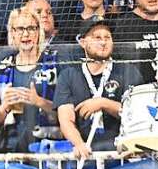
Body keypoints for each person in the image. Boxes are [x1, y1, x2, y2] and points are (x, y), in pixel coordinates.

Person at [55, 20, 140, 159]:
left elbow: (136, 114)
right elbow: (66, 120)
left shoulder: (128, 71)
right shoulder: (68, 75)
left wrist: (103, 103)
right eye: (97, 38)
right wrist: (79, 144)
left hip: (122, 153)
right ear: (83, 42)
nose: (103, 42)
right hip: (85, 151)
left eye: (107, 37)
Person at [0, 6, 60, 154]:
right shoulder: (2, 67)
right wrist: (4, 107)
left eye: (31, 28)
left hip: (47, 146)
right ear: (12, 32)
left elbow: (66, 114)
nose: (26, 34)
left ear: (39, 31)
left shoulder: (54, 63)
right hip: (11, 147)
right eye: (20, 29)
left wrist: (39, 102)